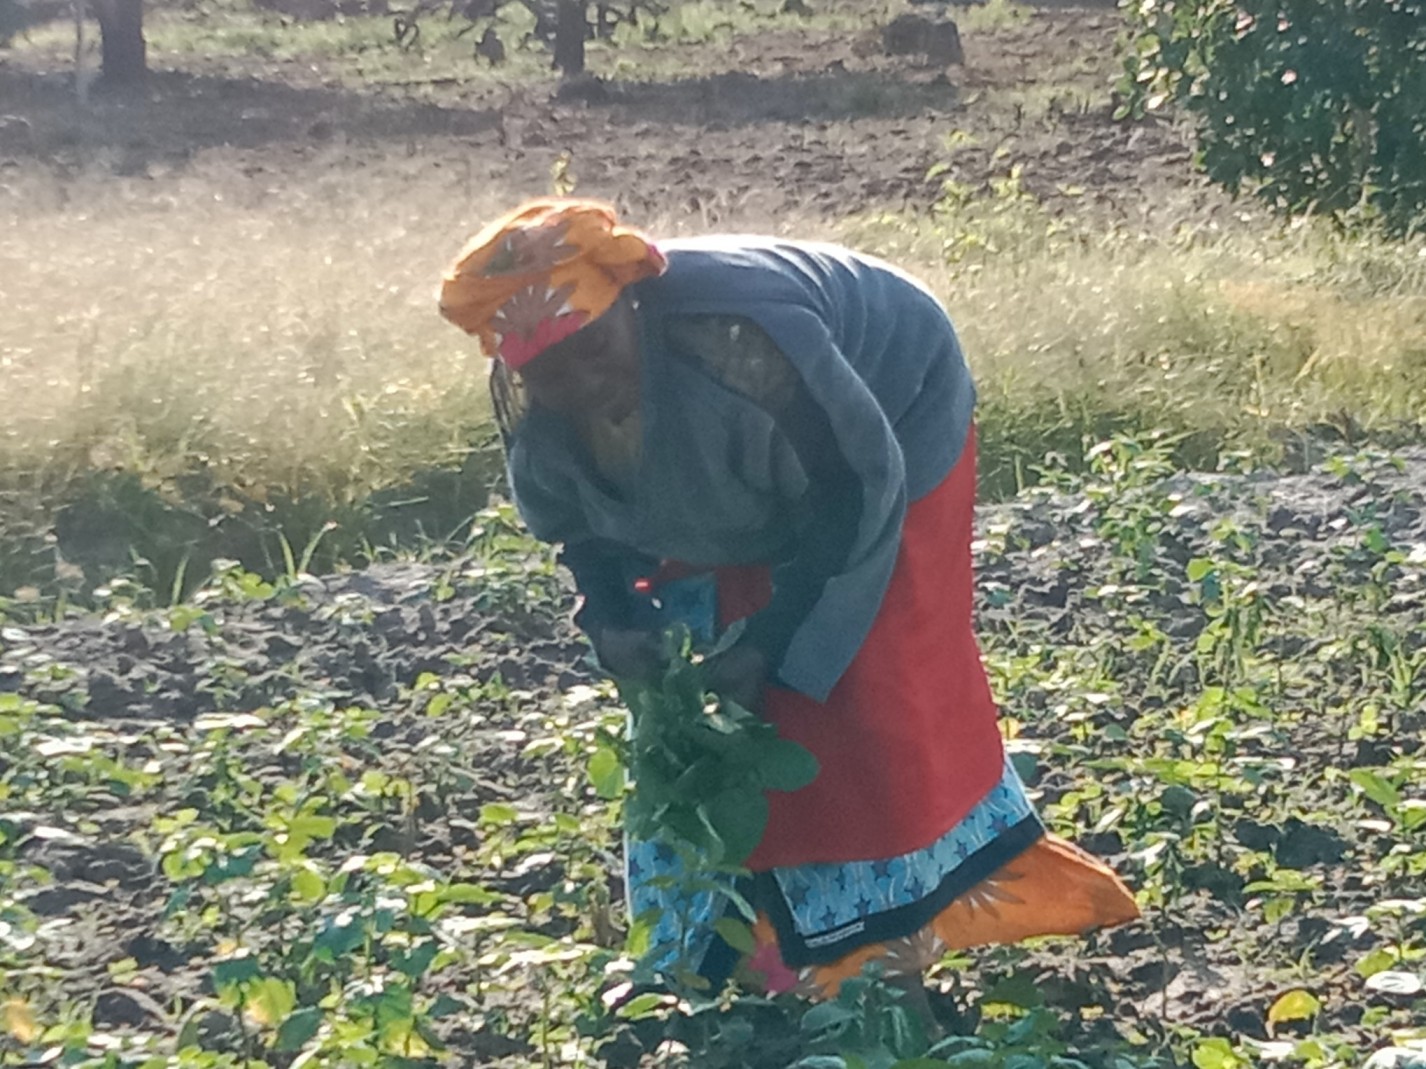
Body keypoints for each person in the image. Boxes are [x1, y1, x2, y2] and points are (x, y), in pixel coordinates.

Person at [438, 197, 1140, 999]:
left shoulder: (743, 345)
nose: (576, 381)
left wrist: (770, 640)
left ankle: (873, 957)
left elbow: (852, 492)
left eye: (593, 348)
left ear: (629, 304)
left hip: (889, 412)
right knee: (689, 687)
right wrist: (614, 616)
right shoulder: (537, 401)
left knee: (856, 680)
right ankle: (716, 952)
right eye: (547, 370)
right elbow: (584, 529)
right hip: (760, 463)